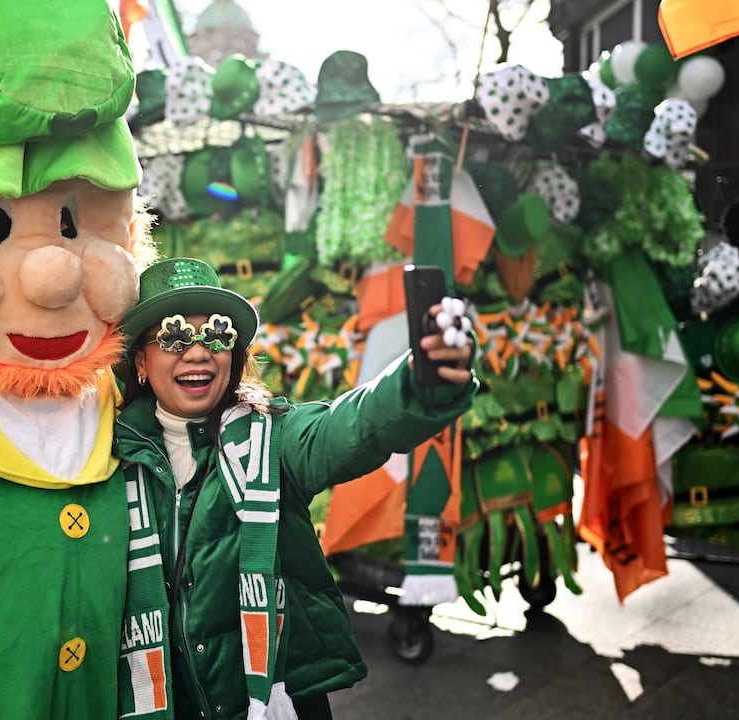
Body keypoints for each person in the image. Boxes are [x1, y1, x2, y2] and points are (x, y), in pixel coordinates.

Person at [112, 257, 478, 720]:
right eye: (174, 335)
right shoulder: (106, 460)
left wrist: (422, 380)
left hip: (278, 703)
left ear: (234, 355)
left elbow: (354, 427)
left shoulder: (275, 439)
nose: (199, 351)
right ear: (141, 361)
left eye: (218, 333)